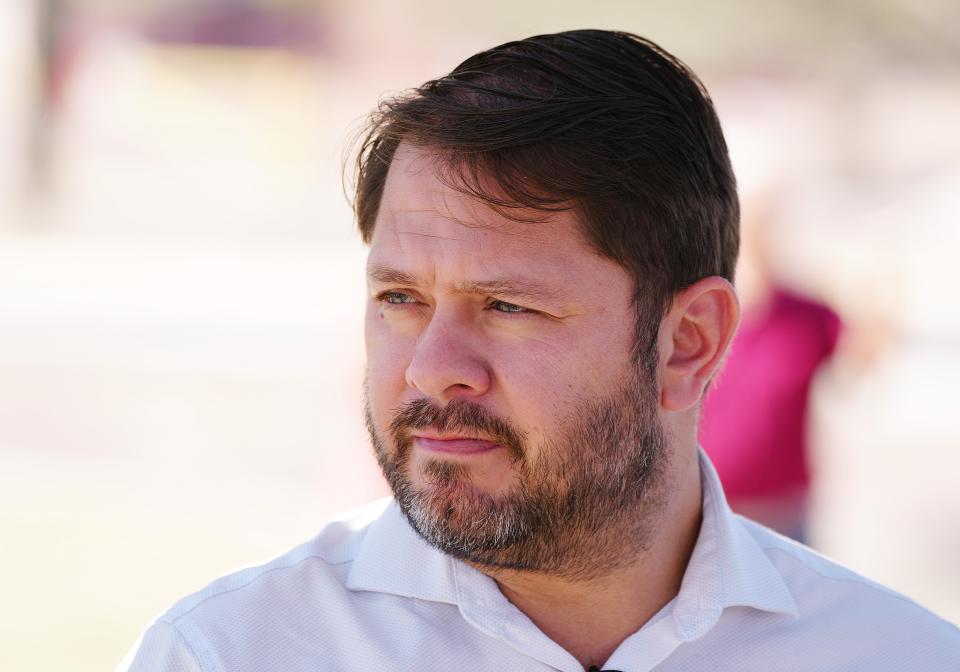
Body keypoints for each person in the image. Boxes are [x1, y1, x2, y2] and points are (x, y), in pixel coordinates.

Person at [119, 30, 959, 672]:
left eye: (508, 305)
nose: (430, 366)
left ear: (687, 343)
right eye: (400, 299)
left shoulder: (899, 657)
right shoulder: (229, 655)